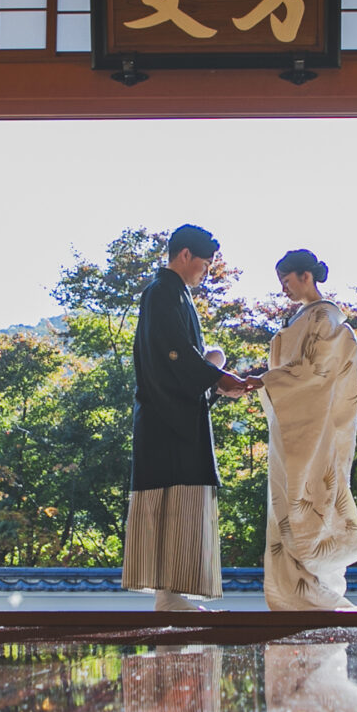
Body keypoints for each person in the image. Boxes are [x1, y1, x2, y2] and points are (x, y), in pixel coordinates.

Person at [123, 224, 255, 612]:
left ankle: (173, 594)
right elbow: (174, 354)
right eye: (204, 262)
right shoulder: (162, 293)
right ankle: (168, 595)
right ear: (184, 255)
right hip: (166, 419)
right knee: (171, 499)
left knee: (181, 500)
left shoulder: (173, 294)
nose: (206, 271)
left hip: (174, 415)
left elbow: (182, 357)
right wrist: (215, 375)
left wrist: (213, 377)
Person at [256, 248, 357, 611]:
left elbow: (313, 373)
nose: (284, 289)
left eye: (287, 281)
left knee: (312, 499)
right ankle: (294, 592)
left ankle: (315, 588)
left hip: (314, 427)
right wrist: (263, 382)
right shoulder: (300, 320)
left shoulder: (325, 318)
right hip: (291, 426)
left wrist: (259, 381)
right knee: (286, 503)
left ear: (306, 276)